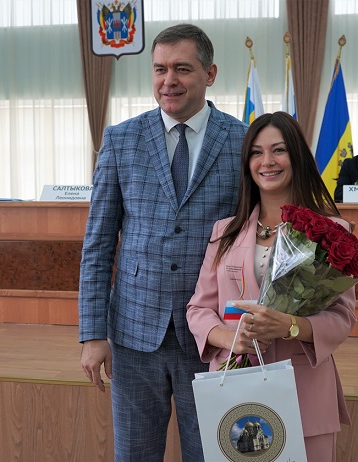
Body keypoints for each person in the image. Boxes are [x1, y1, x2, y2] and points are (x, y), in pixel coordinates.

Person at [78, 24, 247, 461]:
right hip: (133, 334)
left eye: (182, 69)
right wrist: (92, 334)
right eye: (160, 69)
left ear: (210, 74)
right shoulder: (120, 139)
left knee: (211, 453)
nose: (168, 80)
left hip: (213, 336)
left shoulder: (244, 141)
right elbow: (97, 245)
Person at [186, 112, 357, 460]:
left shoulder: (332, 233)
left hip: (304, 390)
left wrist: (290, 325)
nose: (266, 161)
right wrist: (231, 339)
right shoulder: (225, 231)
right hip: (235, 390)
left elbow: (342, 318)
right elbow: (198, 309)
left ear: (296, 156)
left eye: (278, 150)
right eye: (256, 152)